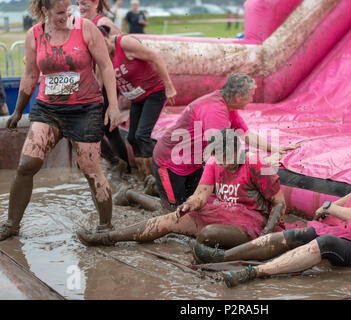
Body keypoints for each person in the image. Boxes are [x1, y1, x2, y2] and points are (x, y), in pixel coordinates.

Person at [191, 114, 351, 287]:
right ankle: (224, 257)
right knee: (302, 233)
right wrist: (335, 206)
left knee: (326, 242)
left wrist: (330, 208)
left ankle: (255, 272)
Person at [0, 0, 121, 241]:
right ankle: (12, 224)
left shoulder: (86, 28)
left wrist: (114, 106)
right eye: (59, 13)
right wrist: (17, 111)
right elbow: (31, 74)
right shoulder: (34, 34)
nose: (65, 16)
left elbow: (107, 67)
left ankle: (106, 227)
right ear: (44, 11)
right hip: (49, 108)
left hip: (85, 108)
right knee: (27, 165)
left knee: (90, 169)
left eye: (68, 11)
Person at [76, 128, 303, 248]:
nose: (222, 163)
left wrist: (264, 236)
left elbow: (279, 204)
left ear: (237, 151)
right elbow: (201, 195)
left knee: (206, 236)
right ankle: (109, 237)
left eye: (226, 159)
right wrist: (189, 204)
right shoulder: (215, 163)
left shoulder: (256, 165)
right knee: (168, 220)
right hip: (221, 210)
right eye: (219, 158)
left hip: (252, 220)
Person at [151, 73, 294, 211]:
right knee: (172, 209)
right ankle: (137, 196)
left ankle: (152, 186)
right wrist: (264, 161)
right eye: (251, 96)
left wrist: (275, 149)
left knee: (194, 207)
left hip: (192, 163)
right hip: (169, 163)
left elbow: (245, 134)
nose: (251, 100)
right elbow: (222, 152)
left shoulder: (227, 104)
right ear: (238, 97)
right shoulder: (215, 111)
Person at [98, 24, 177, 179]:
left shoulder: (124, 44)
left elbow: (156, 57)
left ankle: (163, 172)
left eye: (103, 45)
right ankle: (145, 177)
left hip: (154, 92)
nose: (102, 51)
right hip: (137, 98)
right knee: (133, 138)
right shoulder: (100, 56)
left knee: (142, 136)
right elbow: (101, 83)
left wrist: (169, 87)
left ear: (107, 38)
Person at [77, 0, 131, 175]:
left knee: (101, 126)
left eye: (84, 3)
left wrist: (99, 89)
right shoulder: (88, 23)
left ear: (95, 3)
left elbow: (109, 59)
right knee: (106, 128)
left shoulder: (103, 23)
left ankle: (121, 165)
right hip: (100, 82)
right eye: (77, 3)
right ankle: (120, 164)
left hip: (108, 81)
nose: (80, 7)